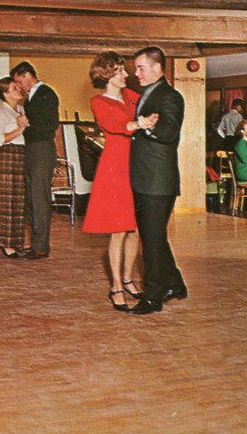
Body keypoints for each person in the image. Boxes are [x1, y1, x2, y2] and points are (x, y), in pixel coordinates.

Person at [128, 46, 187, 316]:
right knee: (155, 237)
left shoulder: (170, 96)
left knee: (151, 241)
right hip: (145, 177)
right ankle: (174, 283)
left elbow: (169, 131)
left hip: (157, 180)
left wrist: (149, 126)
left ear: (156, 67)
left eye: (140, 67)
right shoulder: (147, 94)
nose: (135, 72)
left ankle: (153, 297)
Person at [81, 52, 141, 312]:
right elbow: (116, 125)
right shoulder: (99, 101)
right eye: (119, 71)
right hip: (116, 166)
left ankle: (128, 278)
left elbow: (153, 112)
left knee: (136, 229)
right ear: (106, 75)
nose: (125, 75)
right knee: (118, 229)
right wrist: (138, 123)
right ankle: (116, 285)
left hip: (138, 164)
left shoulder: (132, 97)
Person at [10, 61, 59, 260]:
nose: (18, 86)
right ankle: (37, 242)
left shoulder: (46, 94)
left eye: (18, 81)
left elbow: (49, 127)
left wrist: (25, 126)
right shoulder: (31, 98)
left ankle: (40, 246)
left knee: (39, 198)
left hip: (41, 149)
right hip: (32, 149)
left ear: (27, 75)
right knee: (31, 198)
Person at [0, 77, 30, 258]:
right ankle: (5, 244)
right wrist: (20, 128)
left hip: (19, 154)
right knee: (5, 201)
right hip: (6, 155)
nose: (18, 89)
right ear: (5, 94)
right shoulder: (0, 113)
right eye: (13, 87)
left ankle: (16, 242)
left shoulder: (19, 110)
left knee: (18, 201)